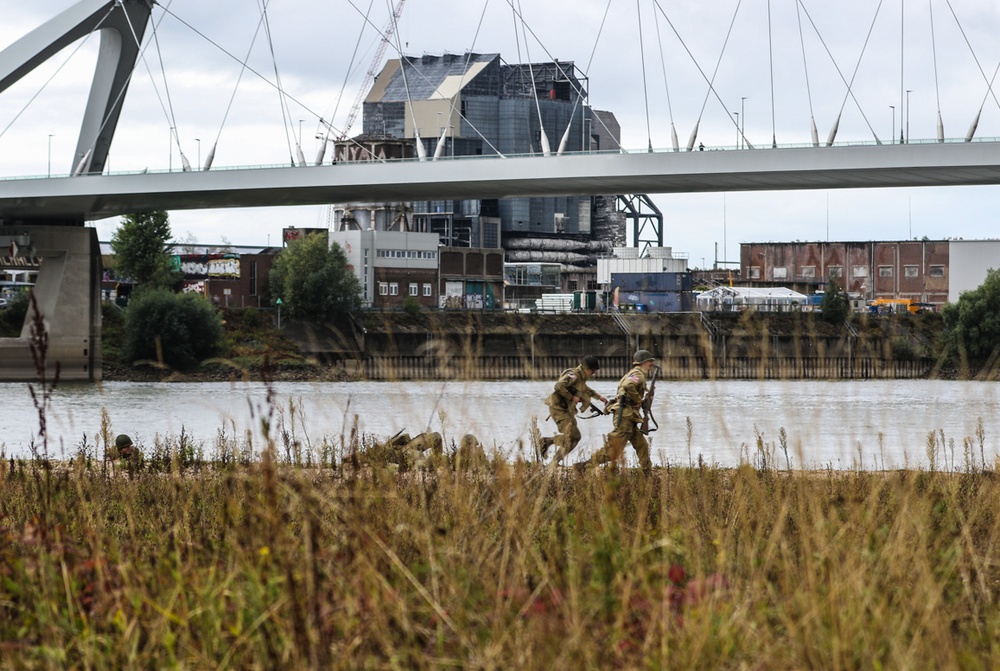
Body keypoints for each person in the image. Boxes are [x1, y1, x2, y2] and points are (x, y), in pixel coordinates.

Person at [577, 350, 656, 475]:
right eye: (650, 361)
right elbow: (628, 386)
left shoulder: (636, 373)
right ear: (644, 362)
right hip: (626, 416)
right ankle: (584, 466)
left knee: (642, 446)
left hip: (630, 416)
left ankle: (647, 473)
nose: (652, 363)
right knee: (613, 451)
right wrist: (638, 400)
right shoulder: (637, 374)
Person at [540, 355, 608, 463]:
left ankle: (552, 456)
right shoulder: (574, 375)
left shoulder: (581, 377)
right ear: (586, 368)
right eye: (593, 370)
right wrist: (571, 397)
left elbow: (585, 389)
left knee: (574, 438)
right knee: (573, 436)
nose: (594, 373)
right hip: (558, 408)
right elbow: (558, 386)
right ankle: (548, 444)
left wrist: (599, 397)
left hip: (565, 409)